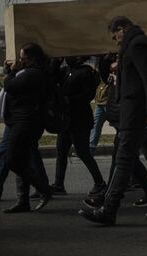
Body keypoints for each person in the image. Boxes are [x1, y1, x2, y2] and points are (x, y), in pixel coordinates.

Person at [78, 16, 147, 225]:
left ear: (122, 29)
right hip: (138, 110)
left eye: (115, 36)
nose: (115, 41)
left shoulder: (137, 45)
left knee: (124, 159)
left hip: (137, 111)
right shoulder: (136, 43)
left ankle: (109, 209)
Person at [2, 43, 52, 213]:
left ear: (33, 59)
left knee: (12, 160)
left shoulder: (33, 74)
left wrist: (12, 72)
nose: (21, 61)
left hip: (26, 122)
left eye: (23, 58)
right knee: (21, 160)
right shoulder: (31, 72)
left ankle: (44, 189)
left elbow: (8, 86)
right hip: (23, 121)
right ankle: (22, 200)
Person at [51, 56, 106, 195]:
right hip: (66, 119)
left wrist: (68, 99)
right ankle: (58, 184)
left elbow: (88, 95)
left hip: (80, 119)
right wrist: (56, 62)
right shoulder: (64, 70)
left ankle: (99, 183)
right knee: (61, 151)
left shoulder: (85, 72)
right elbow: (51, 79)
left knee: (83, 152)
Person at [89, 54, 114, 155]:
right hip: (100, 102)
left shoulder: (112, 69)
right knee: (95, 125)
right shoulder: (100, 70)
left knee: (120, 126)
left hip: (110, 102)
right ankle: (90, 148)